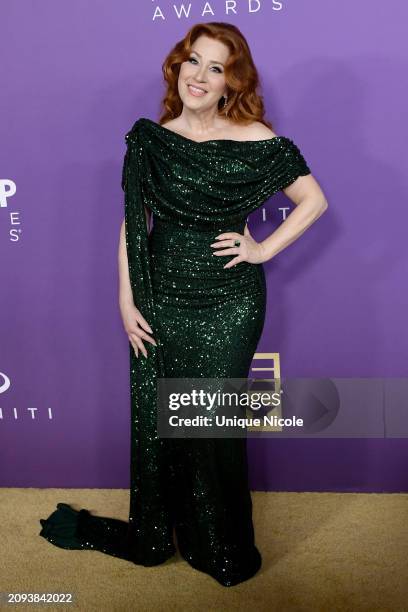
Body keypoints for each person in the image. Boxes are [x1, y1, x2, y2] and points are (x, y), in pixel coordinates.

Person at [39, 21, 328, 587]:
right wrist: (126, 298)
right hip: (162, 297)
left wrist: (262, 247)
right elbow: (133, 223)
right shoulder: (150, 138)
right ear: (178, 65)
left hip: (230, 300)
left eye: (215, 67)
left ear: (230, 82)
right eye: (193, 61)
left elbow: (313, 200)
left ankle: (220, 545)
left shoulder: (254, 136)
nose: (199, 75)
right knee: (168, 421)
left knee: (212, 423)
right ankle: (169, 530)